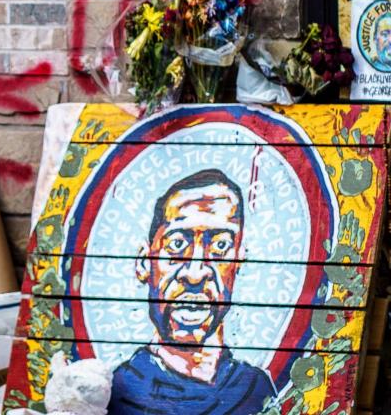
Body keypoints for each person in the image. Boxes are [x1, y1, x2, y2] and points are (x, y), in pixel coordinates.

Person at [108, 169, 276, 415]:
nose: (195, 274)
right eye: (177, 244)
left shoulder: (256, 390)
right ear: (144, 262)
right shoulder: (119, 392)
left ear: (238, 261)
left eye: (220, 246)